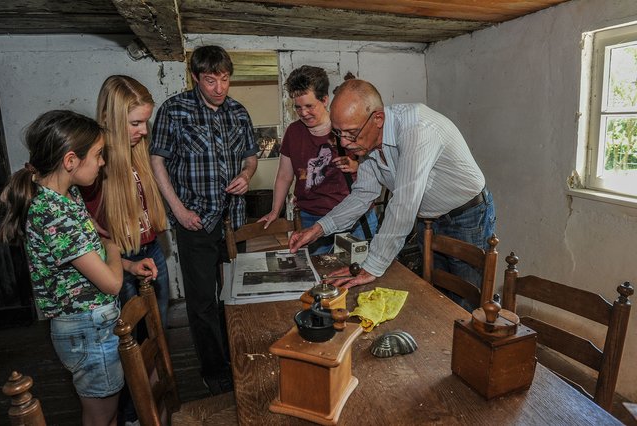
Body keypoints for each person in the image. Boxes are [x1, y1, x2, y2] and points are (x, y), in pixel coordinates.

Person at [289, 79, 496, 310]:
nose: (345, 143)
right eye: (339, 133)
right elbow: (362, 195)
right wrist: (318, 228)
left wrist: (372, 265)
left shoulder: (417, 128)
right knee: (438, 297)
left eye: (351, 133)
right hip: (429, 219)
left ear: (377, 119)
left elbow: (404, 203)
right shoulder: (366, 144)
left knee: (467, 303)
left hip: (467, 214)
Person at [0, 110, 124, 426]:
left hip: (87, 325)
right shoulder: (55, 214)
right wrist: (115, 249)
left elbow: (84, 259)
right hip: (87, 329)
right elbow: (110, 283)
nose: (102, 162)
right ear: (70, 161)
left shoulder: (63, 195)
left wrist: (129, 264)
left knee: (105, 413)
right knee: (101, 416)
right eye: (98, 155)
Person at [150, 45, 258, 395]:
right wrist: (179, 211)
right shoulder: (174, 110)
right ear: (195, 77)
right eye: (210, 80)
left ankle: (237, 356)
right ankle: (215, 371)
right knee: (202, 304)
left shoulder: (239, 112)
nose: (218, 87)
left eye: (224, 79)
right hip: (195, 221)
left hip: (233, 221)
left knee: (235, 296)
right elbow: (157, 162)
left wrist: (247, 174)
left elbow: (251, 158)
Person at [257, 65, 377, 254]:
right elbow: (284, 176)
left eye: (309, 106)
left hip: (353, 217)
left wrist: (356, 166)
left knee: (359, 273)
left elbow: (376, 166)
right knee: (314, 277)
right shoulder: (293, 132)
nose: (303, 113)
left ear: (324, 100)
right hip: (310, 218)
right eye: (298, 107)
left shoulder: (347, 125)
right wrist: (275, 210)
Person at [80, 75, 169, 330]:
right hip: (119, 256)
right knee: (133, 336)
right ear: (110, 119)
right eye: (136, 123)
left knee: (157, 329)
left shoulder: (137, 149)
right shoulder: (95, 157)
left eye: (144, 122)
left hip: (150, 249)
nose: (143, 130)